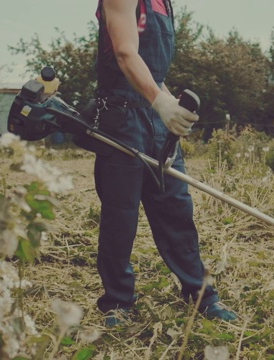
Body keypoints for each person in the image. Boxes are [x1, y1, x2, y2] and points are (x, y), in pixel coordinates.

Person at [91, 0, 237, 327]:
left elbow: (152, 71)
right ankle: (117, 302)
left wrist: (168, 104)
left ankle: (199, 294)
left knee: (176, 207)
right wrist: (159, 101)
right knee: (120, 216)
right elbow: (126, 54)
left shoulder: (164, 4)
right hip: (122, 116)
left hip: (155, 119)